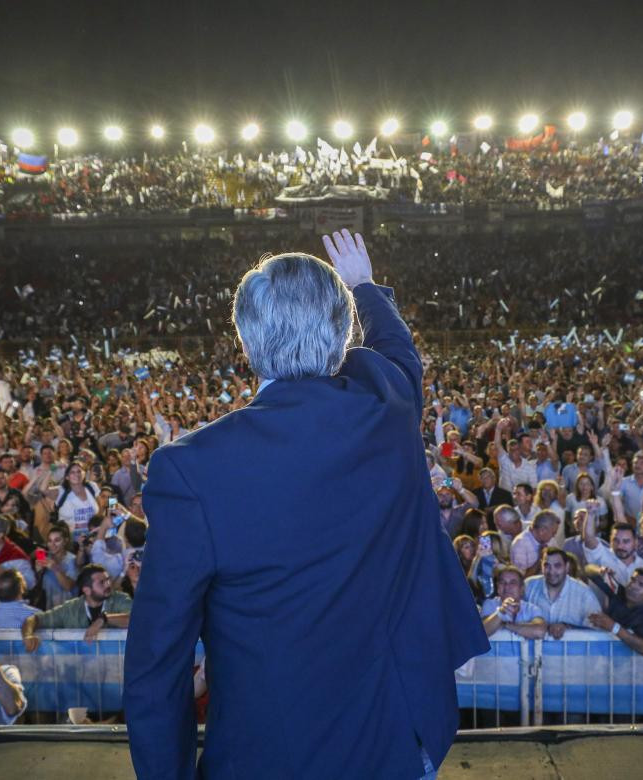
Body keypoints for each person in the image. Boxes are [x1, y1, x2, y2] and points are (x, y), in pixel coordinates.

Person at [123, 231, 488, 780]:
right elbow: (398, 350)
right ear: (342, 335)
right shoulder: (386, 403)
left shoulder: (191, 469)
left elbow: (157, 664)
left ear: (245, 343)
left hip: (270, 756)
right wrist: (365, 286)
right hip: (398, 742)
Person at [21, 564, 132, 649]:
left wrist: (104, 619)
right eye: (102, 582)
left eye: (108, 580)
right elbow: (34, 619)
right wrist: (27, 635)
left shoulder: (119, 599)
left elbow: (137, 619)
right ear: (86, 590)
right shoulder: (71, 608)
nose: (108, 584)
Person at [524, 547, 603, 639]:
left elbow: (598, 629)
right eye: (547, 565)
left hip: (573, 652)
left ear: (567, 567)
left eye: (557, 566)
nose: (551, 571)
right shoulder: (528, 586)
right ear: (541, 565)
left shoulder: (584, 593)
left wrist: (567, 627)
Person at [587, 567, 643, 658]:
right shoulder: (619, 591)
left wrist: (614, 627)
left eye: (642, 585)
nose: (633, 586)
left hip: (631, 667)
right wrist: (600, 570)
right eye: (633, 580)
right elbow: (588, 570)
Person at [480, 565, 547, 638]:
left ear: (521, 589)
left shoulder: (532, 609)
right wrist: (501, 612)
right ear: (498, 588)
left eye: (513, 583)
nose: (507, 587)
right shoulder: (489, 604)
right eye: (502, 582)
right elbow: (481, 633)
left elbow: (539, 632)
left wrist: (506, 625)